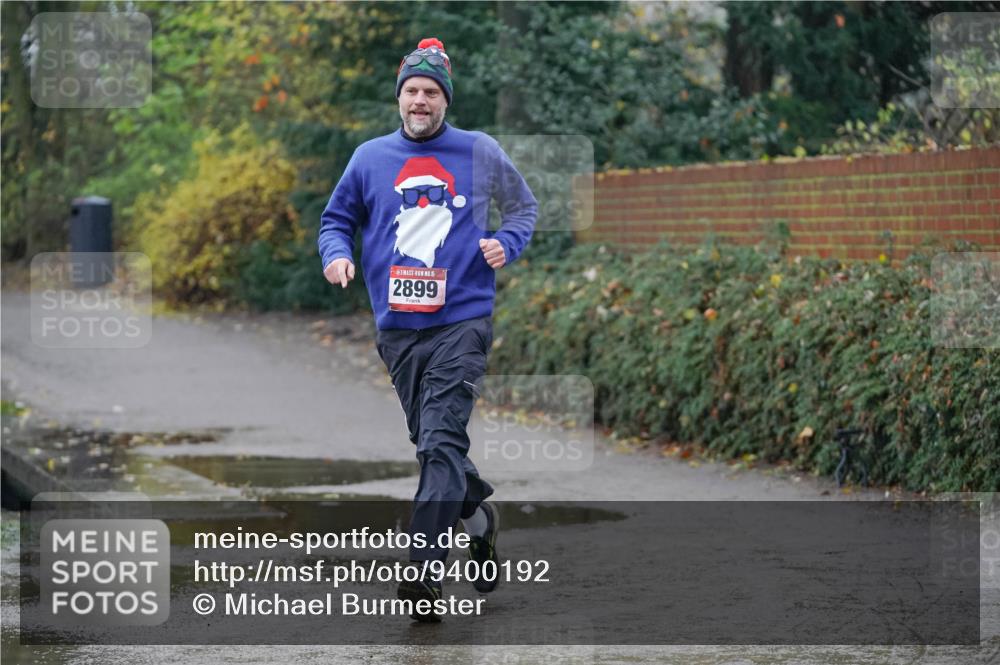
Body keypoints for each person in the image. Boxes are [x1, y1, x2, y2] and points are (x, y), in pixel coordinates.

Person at [318, 37, 538, 621]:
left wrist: (506, 242)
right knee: (435, 447)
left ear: (445, 100)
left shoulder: (479, 150)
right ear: (399, 97)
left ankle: (423, 574)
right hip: (397, 330)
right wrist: (335, 256)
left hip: (461, 322)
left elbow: (523, 208)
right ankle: (479, 513)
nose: (420, 100)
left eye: (431, 93)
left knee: (439, 445)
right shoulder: (369, 158)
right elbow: (336, 220)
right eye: (412, 90)